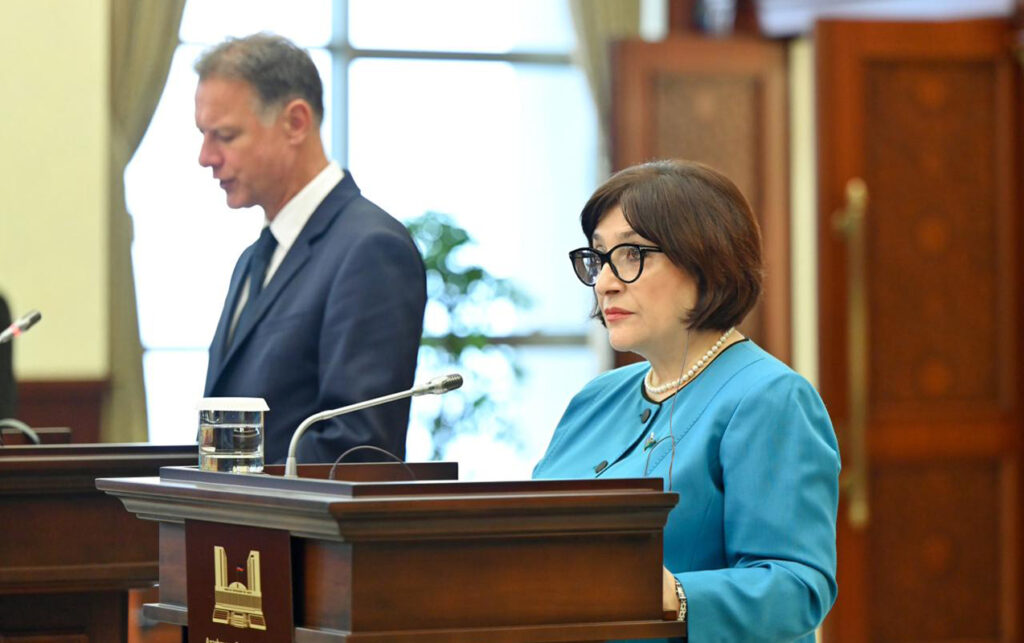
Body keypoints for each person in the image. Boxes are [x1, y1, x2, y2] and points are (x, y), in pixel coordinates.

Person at [533, 160, 839, 642]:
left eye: (631, 254)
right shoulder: (595, 398)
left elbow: (797, 588)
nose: (606, 282)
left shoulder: (770, 398)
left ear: (705, 259)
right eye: (598, 258)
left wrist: (673, 594)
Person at [195, 33, 426, 465]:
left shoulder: (371, 249)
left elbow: (358, 448)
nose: (206, 157)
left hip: (300, 512)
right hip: (234, 511)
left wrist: (243, 485)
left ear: (296, 122)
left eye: (224, 135)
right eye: (203, 135)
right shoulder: (254, 258)